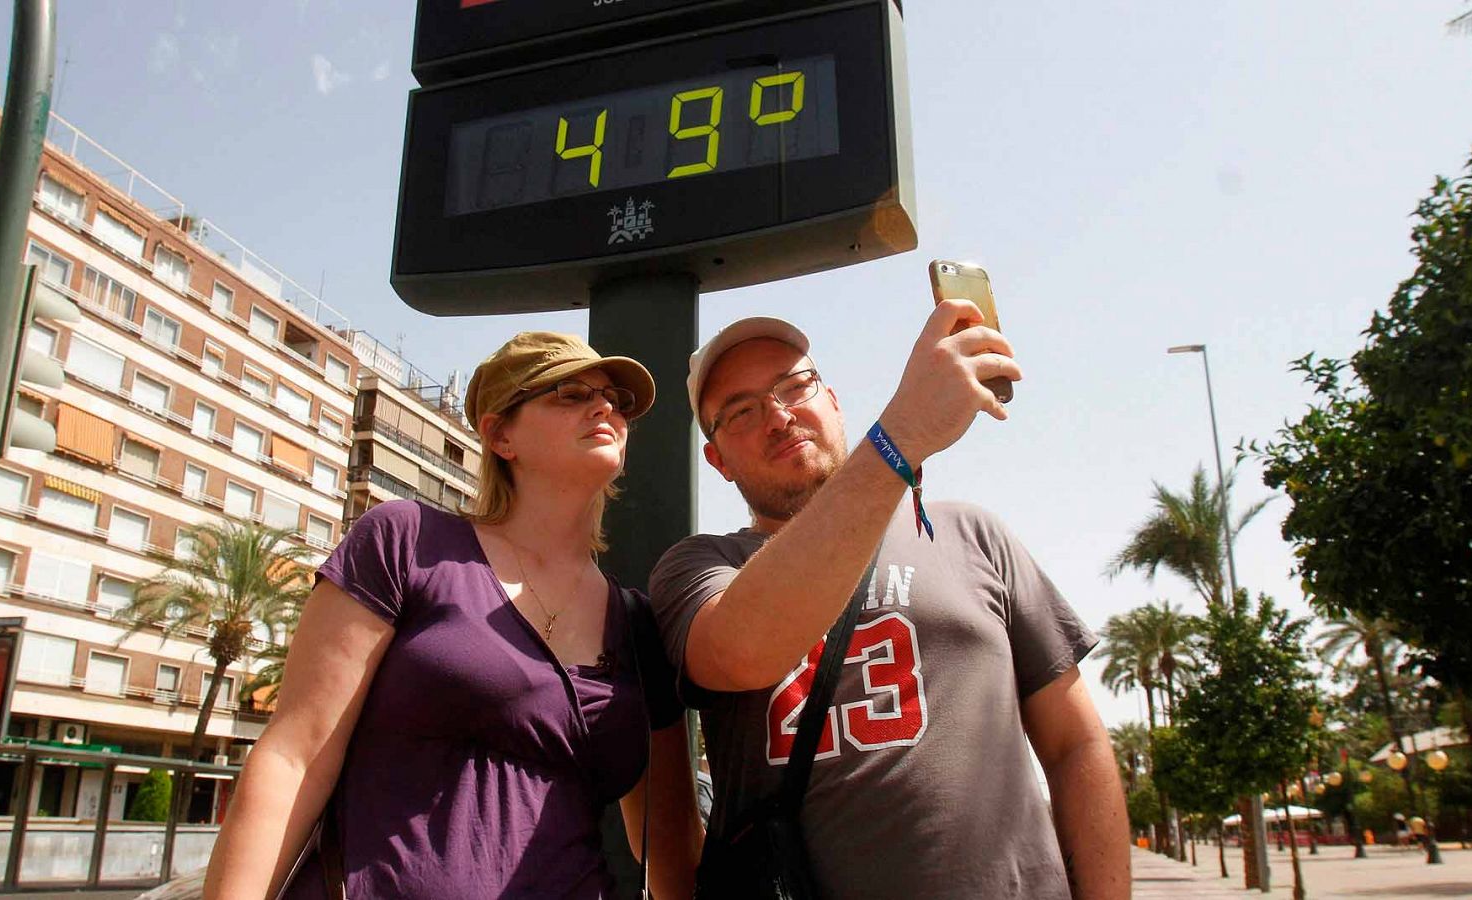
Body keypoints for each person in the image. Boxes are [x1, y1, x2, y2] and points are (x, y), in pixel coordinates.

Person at [649, 303, 1131, 899]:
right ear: (716, 461)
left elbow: (1074, 743)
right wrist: (901, 435)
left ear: (833, 401)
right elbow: (740, 651)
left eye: (795, 386)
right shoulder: (697, 569)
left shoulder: (974, 535)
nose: (777, 416)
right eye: (741, 411)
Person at [205, 332, 701, 900]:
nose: (605, 406)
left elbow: (670, 845)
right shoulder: (406, 542)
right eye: (569, 393)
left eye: (617, 398)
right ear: (500, 434)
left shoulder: (638, 624)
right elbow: (294, 758)